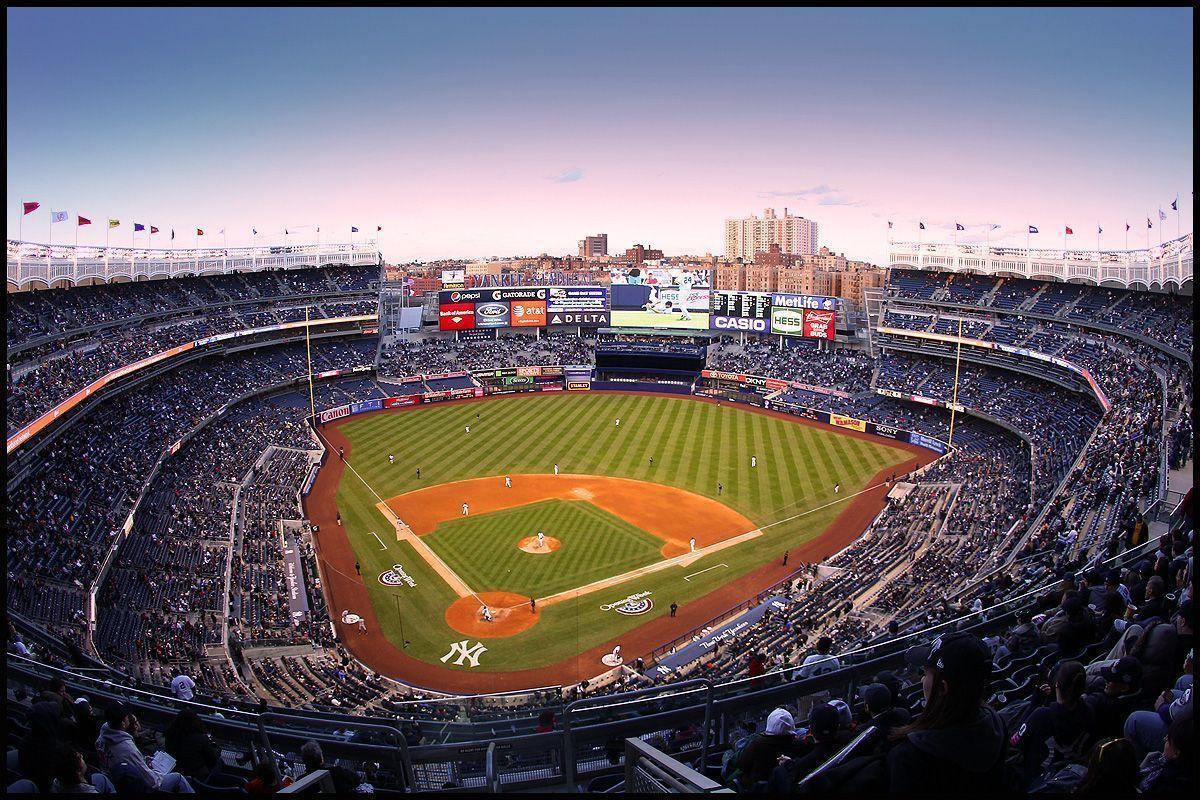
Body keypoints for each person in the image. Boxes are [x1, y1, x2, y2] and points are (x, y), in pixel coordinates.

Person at [886, 633, 1007, 794]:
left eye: (925, 674)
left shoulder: (909, 757)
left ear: (942, 688)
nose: (922, 680)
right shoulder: (997, 724)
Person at [1009, 660, 1093, 789]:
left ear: (1057, 685)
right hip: (1063, 774)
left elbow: (1013, 741)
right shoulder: (1090, 711)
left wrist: (1034, 704)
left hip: (1033, 778)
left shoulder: (1042, 714)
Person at [95, 702, 194, 793]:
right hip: (137, 788)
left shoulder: (100, 738)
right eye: (126, 716)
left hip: (114, 780)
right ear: (123, 723)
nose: (129, 717)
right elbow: (152, 782)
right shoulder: (127, 747)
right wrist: (158, 772)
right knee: (178, 778)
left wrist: (143, 760)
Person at [726, 707, 802, 790]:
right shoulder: (797, 745)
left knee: (728, 754)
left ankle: (735, 739)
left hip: (755, 787)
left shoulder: (757, 744)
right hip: (772, 786)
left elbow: (741, 764)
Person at [163, 709, 221, 782]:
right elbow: (212, 760)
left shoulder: (170, 735)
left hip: (174, 771)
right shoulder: (201, 738)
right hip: (196, 777)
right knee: (219, 761)